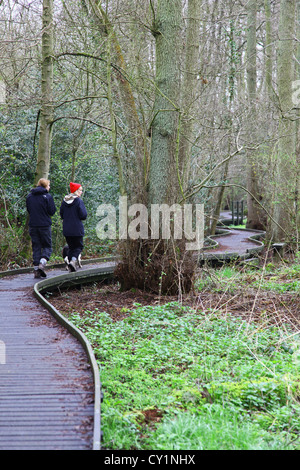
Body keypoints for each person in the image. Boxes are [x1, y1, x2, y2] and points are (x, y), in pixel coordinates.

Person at [26, 178, 56, 279]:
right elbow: (52, 211)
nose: (49, 187)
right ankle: (42, 264)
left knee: (36, 247)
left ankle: (36, 270)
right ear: (45, 186)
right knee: (47, 246)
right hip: (44, 225)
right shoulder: (47, 196)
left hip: (33, 225)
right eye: (49, 185)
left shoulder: (30, 196)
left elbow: (29, 210)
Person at [60, 182, 87, 272]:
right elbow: (83, 215)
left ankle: (71, 266)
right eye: (80, 190)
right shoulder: (78, 201)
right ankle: (73, 261)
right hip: (76, 228)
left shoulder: (64, 202)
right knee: (79, 246)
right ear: (75, 191)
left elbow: (61, 214)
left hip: (67, 229)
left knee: (71, 247)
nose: (81, 192)